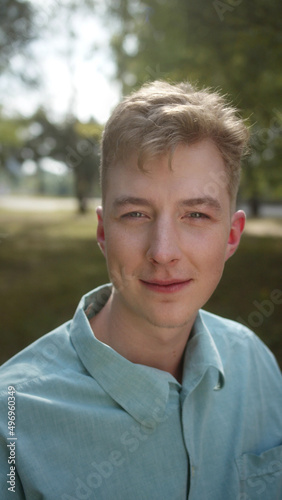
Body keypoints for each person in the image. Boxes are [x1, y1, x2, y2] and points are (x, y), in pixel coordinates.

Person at [0, 80, 281, 500]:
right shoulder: (12, 422)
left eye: (197, 214)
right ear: (102, 231)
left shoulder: (256, 364)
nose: (163, 252)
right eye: (135, 213)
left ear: (231, 236)